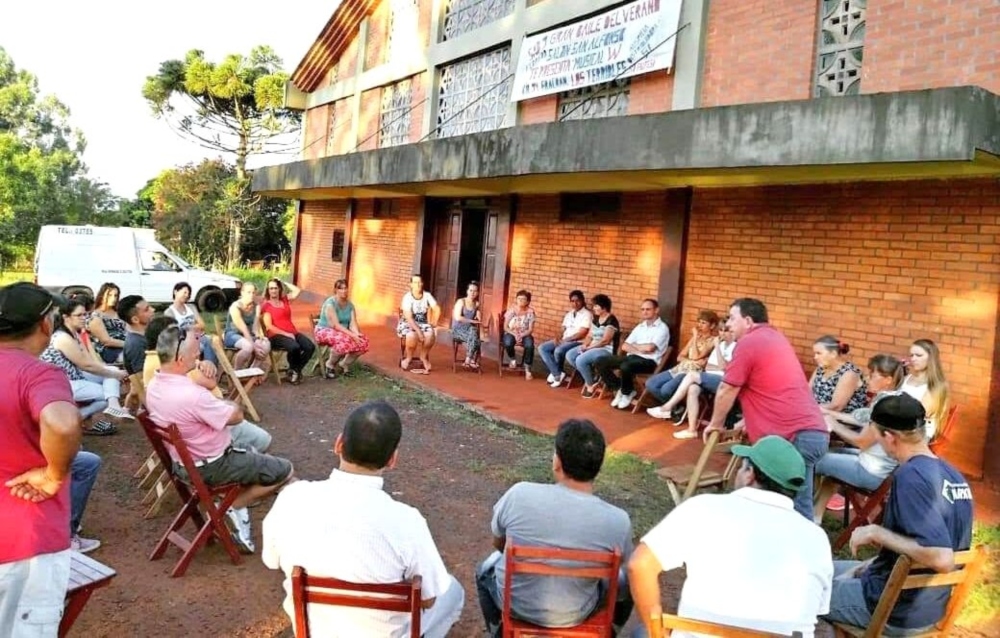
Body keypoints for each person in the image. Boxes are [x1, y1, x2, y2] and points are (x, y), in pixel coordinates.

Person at [263, 401, 464, 637]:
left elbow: (271, 560)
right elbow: (429, 599)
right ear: (392, 460)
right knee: (453, 591)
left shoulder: (292, 497)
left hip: (314, 630)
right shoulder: (407, 521)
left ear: (339, 444)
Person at [629, 436, 832, 638]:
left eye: (741, 468)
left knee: (642, 632)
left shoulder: (703, 507)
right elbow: (815, 610)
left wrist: (658, 632)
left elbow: (640, 564)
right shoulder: (817, 537)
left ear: (750, 474)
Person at [821, 393, 973, 634]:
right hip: (926, 605)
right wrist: (869, 566)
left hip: (894, 608)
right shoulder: (953, 475)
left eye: (876, 435)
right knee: (821, 569)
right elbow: (921, 547)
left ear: (890, 437)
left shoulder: (910, 477)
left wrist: (876, 532)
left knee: (802, 590)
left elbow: (942, 559)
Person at [476, 419, 634, 637]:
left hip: (516, 606)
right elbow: (622, 570)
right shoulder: (619, 520)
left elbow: (499, 544)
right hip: (577, 613)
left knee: (484, 569)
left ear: (557, 462)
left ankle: (498, 631)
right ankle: (610, 632)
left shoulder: (519, 494)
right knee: (630, 578)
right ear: (598, 466)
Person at [145, 325, 294, 553]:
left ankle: (232, 505)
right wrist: (230, 404)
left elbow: (210, 393)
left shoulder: (155, 385)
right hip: (213, 465)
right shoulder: (191, 395)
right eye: (196, 352)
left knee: (254, 450)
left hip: (184, 465)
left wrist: (201, 370)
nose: (198, 355)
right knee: (286, 471)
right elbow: (236, 415)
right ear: (180, 358)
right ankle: (235, 505)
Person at [0, 282, 82, 636]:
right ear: (46, 324)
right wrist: (52, 475)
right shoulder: (37, 373)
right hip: (25, 536)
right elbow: (62, 424)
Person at [703, 298, 828, 520]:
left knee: (773, 497)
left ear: (748, 321)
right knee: (797, 502)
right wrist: (747, 421)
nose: (729, 324)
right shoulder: (775, 338)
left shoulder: (750, 342)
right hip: (810, 432)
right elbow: (771, 388)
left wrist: (715, 424)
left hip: (792, 435)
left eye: (732, 318)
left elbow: (727, 388)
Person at [143, 316, 272, 455]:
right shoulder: (173, 368)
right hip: (204, 427)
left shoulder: (160, 368)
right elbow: (211, 383)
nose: (183, 336)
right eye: (179, 334)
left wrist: (203, 363)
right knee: (264, 441)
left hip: (196, 422)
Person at [813, 354, 905, 523]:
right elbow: (860, 420)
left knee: (812, 458)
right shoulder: (892, 398)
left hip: (870, 471)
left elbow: (861, 442)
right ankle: (815, 516)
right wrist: (828, 412)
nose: (867, 378)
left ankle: (802, 509)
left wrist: (833, 424)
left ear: (888, 379)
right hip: (874, 464)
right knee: (827, 454)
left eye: (872, 375)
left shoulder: (886, 406)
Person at [40, 296, 131, 430]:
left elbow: (89, 361)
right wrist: (116, 374)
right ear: (66, 317)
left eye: (85, 314)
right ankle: (75, 419)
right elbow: (86, 365)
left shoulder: (74, 333)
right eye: (79, 315)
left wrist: (113, 371)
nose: (84, 318)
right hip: (60, 382)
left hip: (73, 376)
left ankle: (113, 405)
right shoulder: (62, 337)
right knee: (105, 394)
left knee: (111, 374)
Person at [594, 299, 670, 410]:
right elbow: (624, 346)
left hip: (649, 362)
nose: (645, 312)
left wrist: (635, 346)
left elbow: (650, 348)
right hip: (632, 357)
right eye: (642, 309)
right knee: (600, 361)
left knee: (626, 366)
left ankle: (627, 392)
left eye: (648, 309)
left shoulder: (662, 328)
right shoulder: (640, 327)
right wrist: (640, 349)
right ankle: (619, 387)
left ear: (656, 310)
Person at [565, 294, 620, 398]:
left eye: (596, 306)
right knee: (570, 355)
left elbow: (605, 341)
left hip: (605, 349)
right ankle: (592, 376)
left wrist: (589, 348)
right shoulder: (595, 318)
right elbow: (590, 335)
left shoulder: (611, 320)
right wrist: (585, 345)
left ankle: (590, 384)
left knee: (580, 360)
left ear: (603, 307)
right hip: (592, 346)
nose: (594, 308)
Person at [261, 278, 314, 385]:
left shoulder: (284, 300)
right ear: (268, 290)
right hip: (276, 335)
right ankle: (294, 372)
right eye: (271, 288)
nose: (274, 291)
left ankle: (294, 370)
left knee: (310, 346)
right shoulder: (266, 306)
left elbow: (298, 291)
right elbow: (269, 326)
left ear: (279, 289)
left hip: (292, 332)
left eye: (276, 288)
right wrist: (286, 334)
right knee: (294, 347)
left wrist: (283, 281)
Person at [314, 278, 370, 378]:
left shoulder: (350, 305)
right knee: (343, 341)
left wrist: (356, 334)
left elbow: (352, 323)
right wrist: (352, 335)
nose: (344, 291)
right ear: (335, 290)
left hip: (342, 332)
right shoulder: (330, 304)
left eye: (345, 288)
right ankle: (329, 364)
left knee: (363, 342)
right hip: (325, 330)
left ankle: (344, 363)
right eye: (341, 288)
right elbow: (336, 325)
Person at [539, 290, 592, 388]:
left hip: (577, 341)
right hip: (565, 339)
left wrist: (566, 340)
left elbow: (582, 333)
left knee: (559, 350)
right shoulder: (570, 314)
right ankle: (557, 373)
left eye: (577, 301)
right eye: (572, 301)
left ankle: (556, 375)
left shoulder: (587, 314)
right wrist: (557, 337)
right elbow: (563, 328)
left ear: (582, 301)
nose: (575, 303)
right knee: (543, 348)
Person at [900, 339, 950, 439]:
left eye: (918, 355)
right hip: (899, 426)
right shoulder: (907, 378)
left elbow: (920, 413)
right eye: (911, 355)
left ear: (931, 358)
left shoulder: (936, 384)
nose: (913, 359)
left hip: (918, 433)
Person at [163, 281, 218, 365]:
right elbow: (174, 333)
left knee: (211, 341)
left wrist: (187, 328)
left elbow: (202, 325)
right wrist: (194, 327)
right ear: (176, 292)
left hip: (197, 337)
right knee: (201, 345)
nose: (186, 295)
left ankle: (211, 367)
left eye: (188, 293)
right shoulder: (169, 312)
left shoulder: (191, 307)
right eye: (184, 292)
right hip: (183, 341)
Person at [810, 335, 868, 413]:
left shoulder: (849, 373)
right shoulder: (821, 368)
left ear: (833, 354)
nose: (815, 357)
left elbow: (836, 406)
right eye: (815, 353)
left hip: (840, 420)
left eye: (819, 353)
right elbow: (807, 392)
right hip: (817, 414)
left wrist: (809, 409)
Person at [223, 283, 272, 372]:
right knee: (248, 346)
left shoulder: (256, 306)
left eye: (253, 293)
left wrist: (258, 338)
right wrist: (255, 347)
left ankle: (252, 370)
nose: (251, 295)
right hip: (233, 335)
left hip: (248, 335)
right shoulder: (235, 307)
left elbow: (254, 328)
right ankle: (237, 372)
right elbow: (244, 329)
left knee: (266, 344)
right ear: (242, 293)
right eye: (248, 292)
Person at [397, 274, 440, 374]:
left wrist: (434, 322)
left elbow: (436, 308)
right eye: (415, 282)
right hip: (408, 323)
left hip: (423, 323)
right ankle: (408, 358)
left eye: (420, 282)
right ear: (411, 284)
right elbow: (408, 317)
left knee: (430, 335)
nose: (418, 284)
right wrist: (419, 332)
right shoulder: (407, 297)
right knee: (412, 335)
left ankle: (423, 357)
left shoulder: (427, 295)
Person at [87, 282, 127, 364]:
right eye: (109, 295)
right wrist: (131, 344)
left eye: (116, 295)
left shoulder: (118, 312)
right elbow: (106, 341)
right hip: (110, 350)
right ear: (102, 296)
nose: (113, 298)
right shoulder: (96, 316)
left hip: (126, 344)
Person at [502, 290, 536, 380]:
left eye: (523, 299)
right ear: (516, 300)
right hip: (511, 332)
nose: (521, 301)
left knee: (529, 345)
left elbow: (530, 329)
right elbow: (505, 327)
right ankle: (513, 359)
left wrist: (521, 335)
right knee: (508, 342)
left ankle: (527, 368)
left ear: (528, 301)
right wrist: (515, 334)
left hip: (525, 333)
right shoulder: (512, 310)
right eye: (519, 299)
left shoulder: (530, 312)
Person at [450, 280, 482, 370]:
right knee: (476, 340)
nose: (473, 293)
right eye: (471, 290)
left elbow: (479, 319)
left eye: (475, 291)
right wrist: (471, 320)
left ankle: (468, 360)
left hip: (469, 330)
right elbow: (457, 317)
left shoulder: (476, 304)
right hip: (458, 330)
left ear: (478, 293)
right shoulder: (461, 302)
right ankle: (471, 360)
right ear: (467, 291)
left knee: (473, 331)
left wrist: (478, 314)